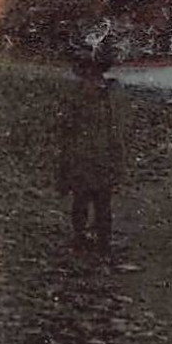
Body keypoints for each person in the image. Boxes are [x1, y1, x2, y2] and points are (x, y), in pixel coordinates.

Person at [60, 51, 129, 255]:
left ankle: (97, 240)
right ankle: (87, 238)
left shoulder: (102, 95)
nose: (90, 77)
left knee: (98, 201)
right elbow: (67, 127)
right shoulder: (93, 94)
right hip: (88, 154)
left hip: (95, 154)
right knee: (87, 200)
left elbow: (115, 129)